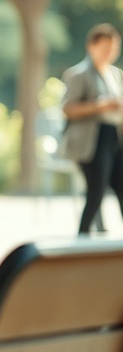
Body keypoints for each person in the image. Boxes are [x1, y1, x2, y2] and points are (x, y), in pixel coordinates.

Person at [60, 23, 123, 235]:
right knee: (96, 192)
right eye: (106, 48)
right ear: (92, 46)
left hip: (114, 136)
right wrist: (101, 105)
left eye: (114, 48)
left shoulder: (114, 74)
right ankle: (83, 236)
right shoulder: (79, 74)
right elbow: (67, 109)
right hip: (92, 140)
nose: (110, 52)